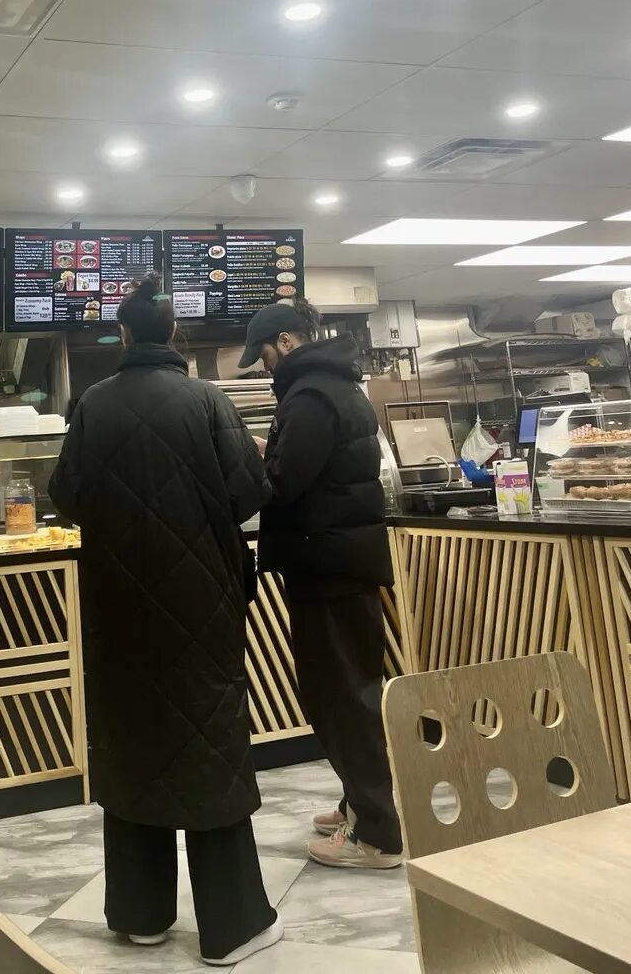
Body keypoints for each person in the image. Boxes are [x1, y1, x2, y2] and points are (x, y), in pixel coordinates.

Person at [49, 276, 280, 966]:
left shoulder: (93, 403)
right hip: (201, 603)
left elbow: (68, 496)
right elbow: (249, 492)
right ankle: (232, 927)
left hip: (118, 604)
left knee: (133, 745)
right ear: (173, 333)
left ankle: (141, 915)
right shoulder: (207, 400)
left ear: (122, 335)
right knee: (208, 744)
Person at [239, 297, 403, 870]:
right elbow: (315, 468)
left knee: (341, 698)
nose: (264, 367)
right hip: (341, 562)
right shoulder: (338, 387)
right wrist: (273, 451)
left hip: (328, 566)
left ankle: (376, 836)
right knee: (348, 691)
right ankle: (361, 804)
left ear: (285, 342)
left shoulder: (309, 395)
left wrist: (246, 460)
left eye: (263, 355)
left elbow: (283, 484)